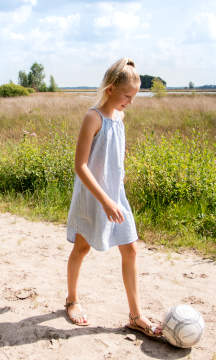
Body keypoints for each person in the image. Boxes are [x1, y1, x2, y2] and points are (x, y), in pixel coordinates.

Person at [64, 58, 162, 338]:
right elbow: (80, 166)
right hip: (93, 196)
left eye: (134, 96)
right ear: (109, 89)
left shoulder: (120, 117)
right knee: (82, 249)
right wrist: (105, 200)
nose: (130, 102)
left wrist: (119, 179)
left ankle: (136, 316)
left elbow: (115, 153)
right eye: (127, 96)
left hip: (115, 195)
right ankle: (71, 300)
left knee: (130, 249)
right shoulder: (93, 117)